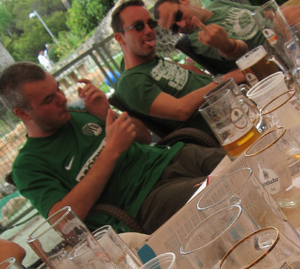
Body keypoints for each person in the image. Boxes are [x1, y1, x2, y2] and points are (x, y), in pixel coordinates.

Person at [0, 62, 226, 234]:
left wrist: (106, 113)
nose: (62, 99)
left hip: (169, 158)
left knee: (239, 159)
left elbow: (144, 137)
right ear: (22, 113)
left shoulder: (80, 111)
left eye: (58, 89)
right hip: (141, 202)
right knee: (222, 191)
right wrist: (111, 151)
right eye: (49, 99)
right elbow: (65, 223)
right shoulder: (28, 166)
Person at [112, 0, 244, 133]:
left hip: (232, 100)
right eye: (138, 26)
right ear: (120, 38)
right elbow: (181, 110)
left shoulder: (149, 61)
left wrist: (223, 82)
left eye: (151, 24)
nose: (149, 30)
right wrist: (224, 80)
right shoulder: (130, 82)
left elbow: (191, 70)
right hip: (224, 124)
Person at [154, 0, 300, 72]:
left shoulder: (216, 4)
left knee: (291, 12)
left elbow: (266, 13)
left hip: (284, 34)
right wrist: (226, 45)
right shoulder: (199, 39)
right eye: (174, 28)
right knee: (290, 14)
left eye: (178, 16)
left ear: (184, 0)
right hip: (271, 56)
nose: (182, 25)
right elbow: (239, 53)